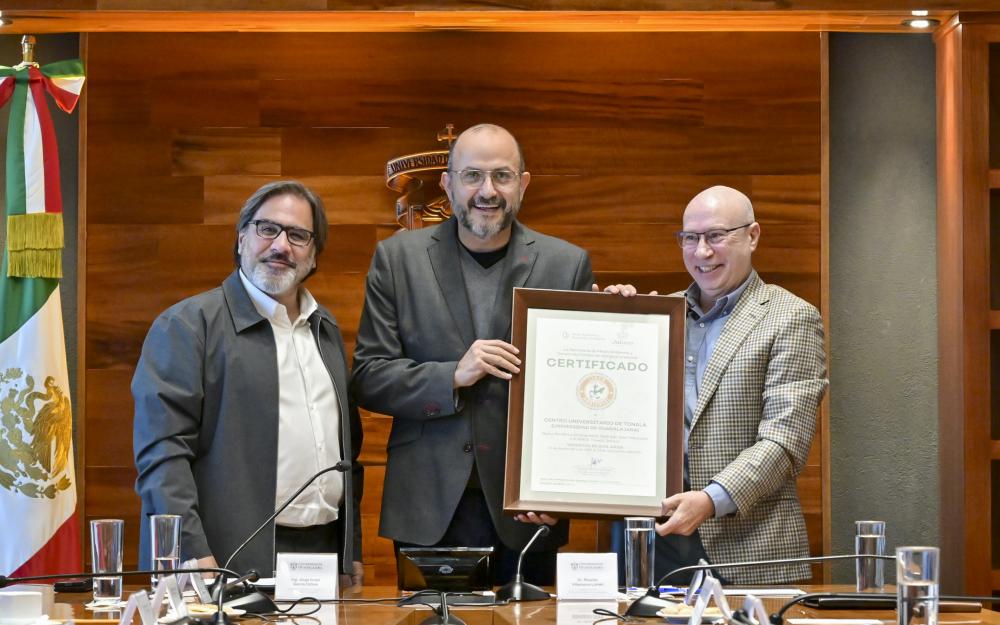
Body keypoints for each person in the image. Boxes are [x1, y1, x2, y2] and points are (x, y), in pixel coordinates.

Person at [352, 123, 634, 585]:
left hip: (528, 505)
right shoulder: (397, 260)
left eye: (502, 176)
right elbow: (369, 376)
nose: (487, 191)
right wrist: (452, 375)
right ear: (448, 184)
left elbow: (582, 393)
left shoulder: (566, 264)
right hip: (428, 502)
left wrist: (623, 322)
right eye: (472, 176)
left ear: (523, 184)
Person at [132, 180, 363, 586]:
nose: (281, 246)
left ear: (314, 254)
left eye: (298, 235)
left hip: (320, 558)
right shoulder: (187, 326)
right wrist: (191, 551)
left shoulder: (324, 330)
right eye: (267, 229)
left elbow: (348, 452)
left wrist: (351, 551)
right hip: (222, 559)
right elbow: (162, 457)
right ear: (241, 238)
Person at [654, 185, 827, 585]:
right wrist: (613, 317)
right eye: (690, 238)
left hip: (748, 548)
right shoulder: (659, 315)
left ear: (753, 236)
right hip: (657, 541)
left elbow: (784, 443)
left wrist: (709, 500)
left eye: (716, 235)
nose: (702, 252)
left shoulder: (791, 317)